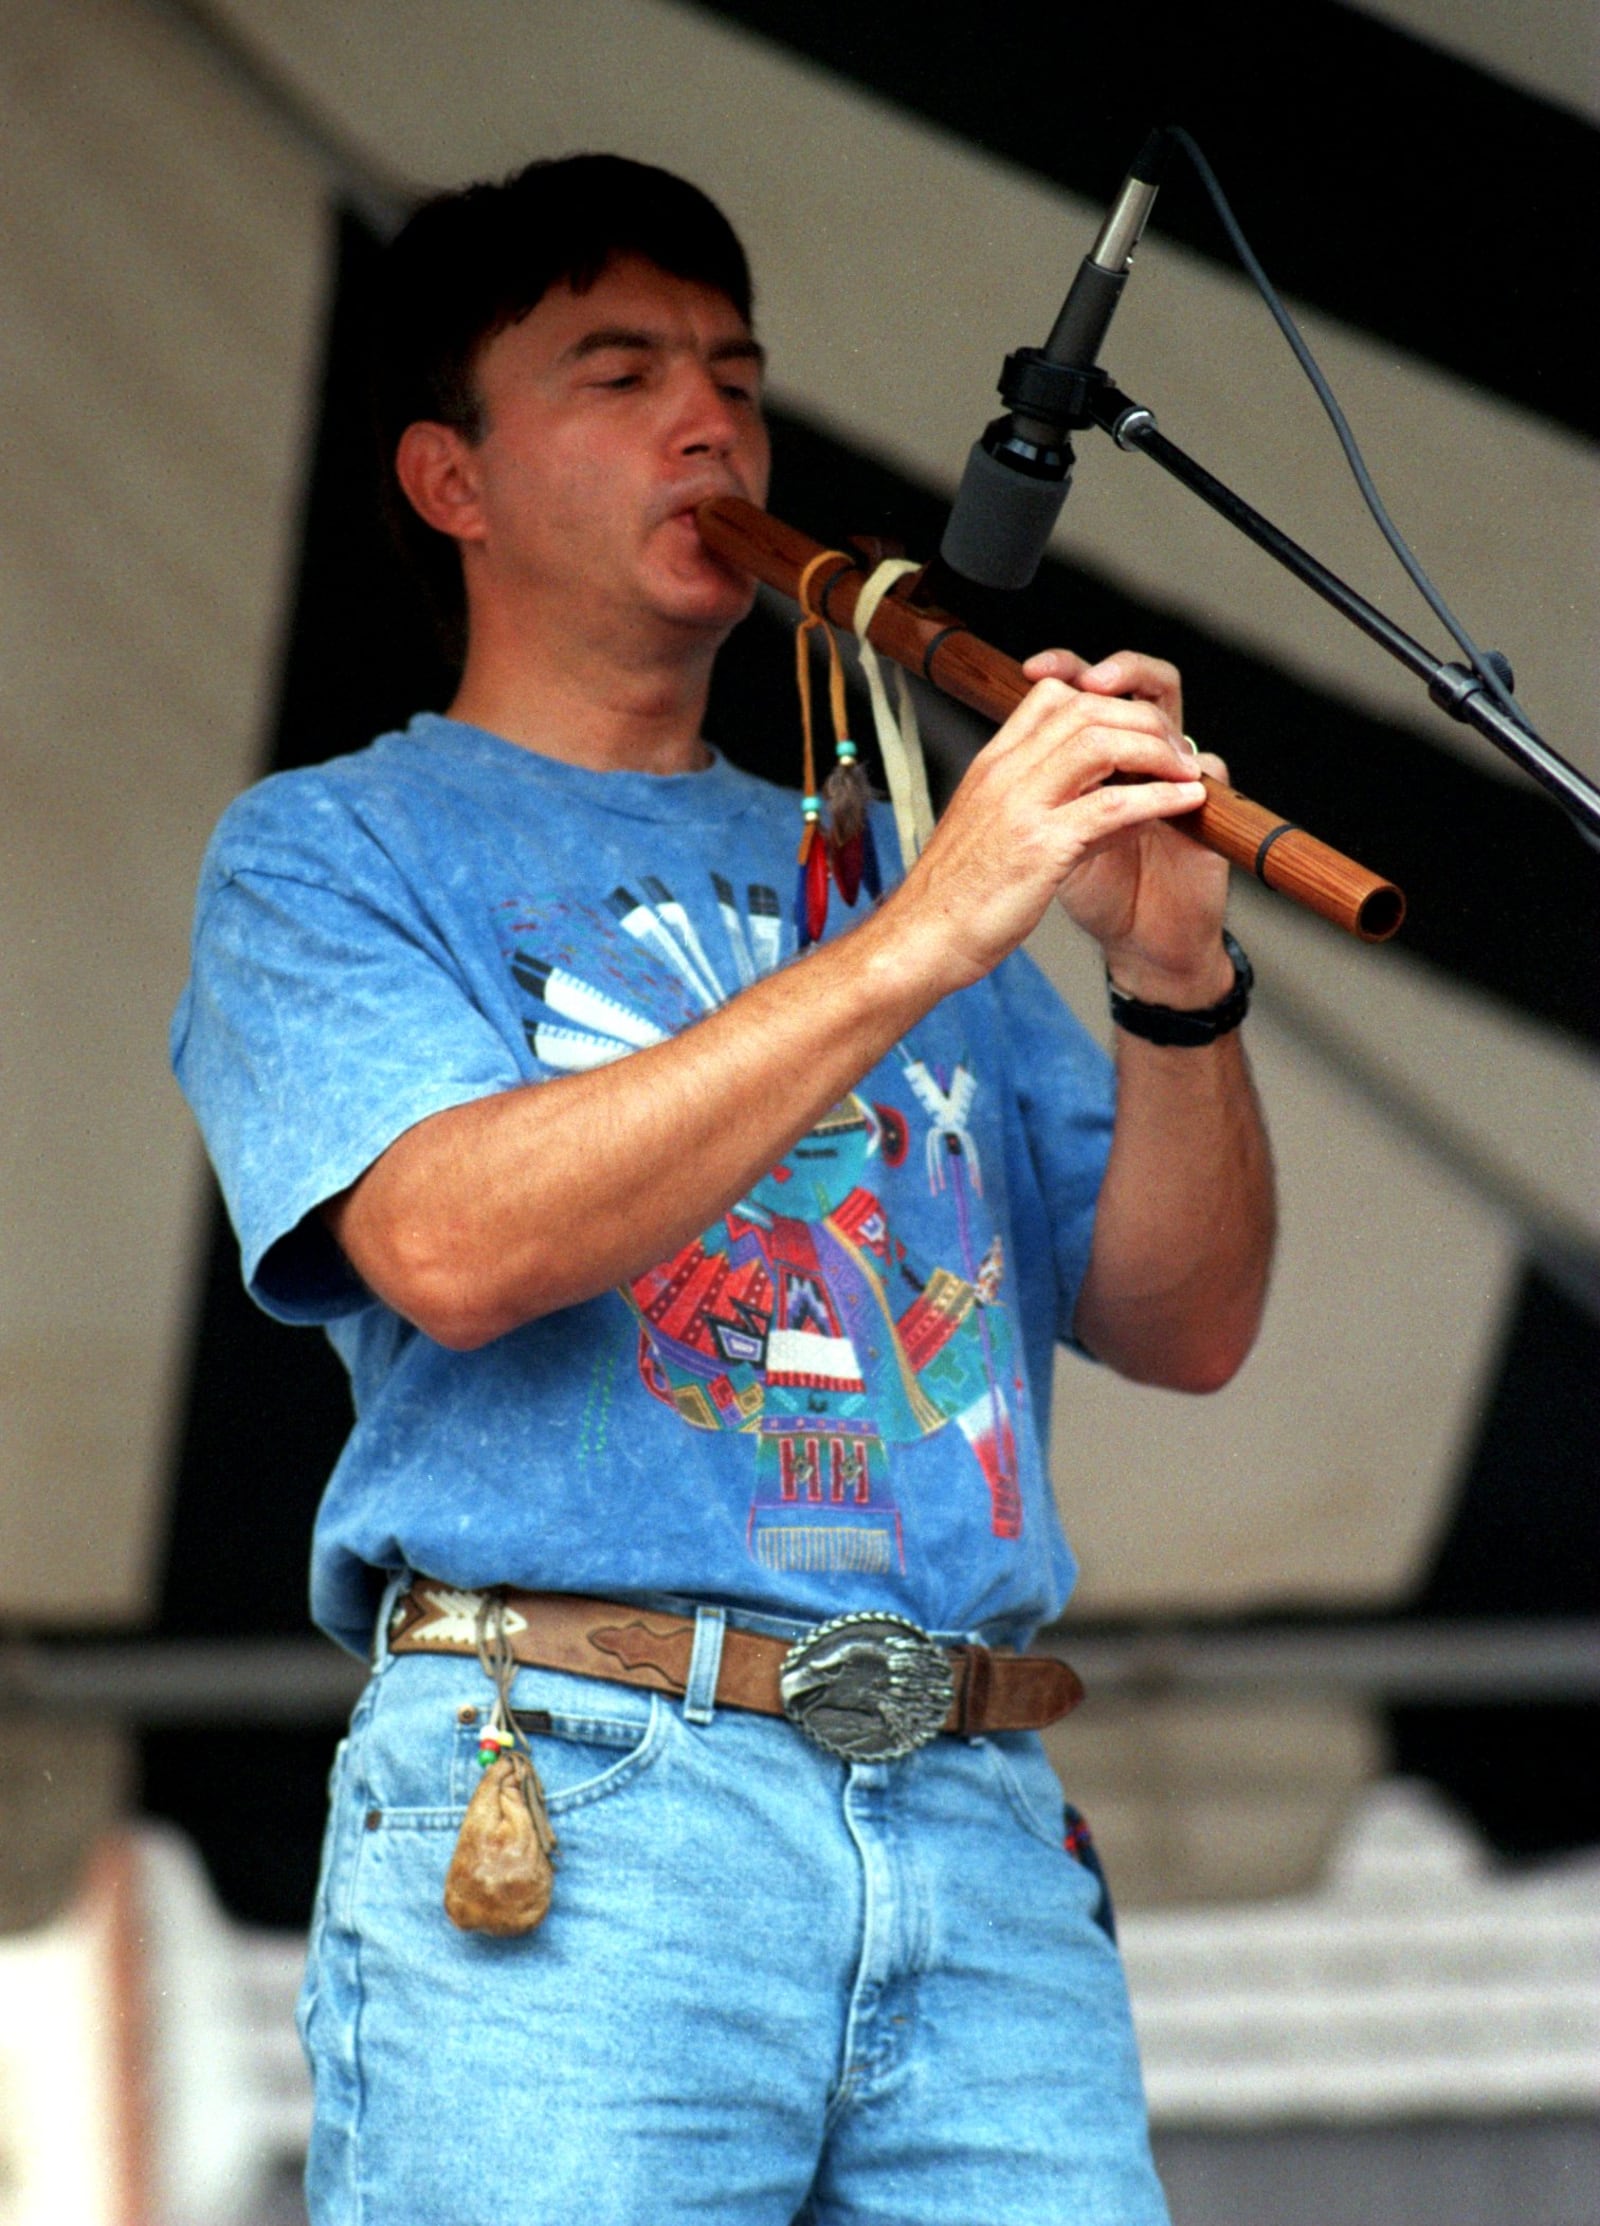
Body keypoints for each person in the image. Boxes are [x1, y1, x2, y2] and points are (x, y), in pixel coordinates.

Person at [173, 153, 1273, 2225]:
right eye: (618, 372)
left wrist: (1169, 976)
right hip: (577, 1802)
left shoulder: (884, 872)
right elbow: (452, 1243)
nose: (712, 425)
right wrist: (918, 939)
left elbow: (1186, 1322)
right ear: (450, 481)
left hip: (969, 1810)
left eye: (736, 379)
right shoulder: (330, 853)